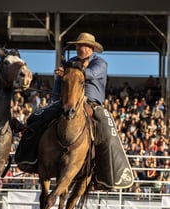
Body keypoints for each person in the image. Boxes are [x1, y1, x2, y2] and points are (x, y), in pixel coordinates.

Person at [15, 32, 133, 190]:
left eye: (81, 45)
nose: (78, 48)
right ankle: (30, 158)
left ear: (90, 48)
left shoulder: (100, 63)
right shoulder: (70, 62)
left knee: (107, 128)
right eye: (77, 45)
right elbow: (60, 83)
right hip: (66, 101)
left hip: (91, 103)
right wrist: (55, 100)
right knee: (36, 118)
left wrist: (70, 72)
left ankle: (106, 173)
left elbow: (89, 74)